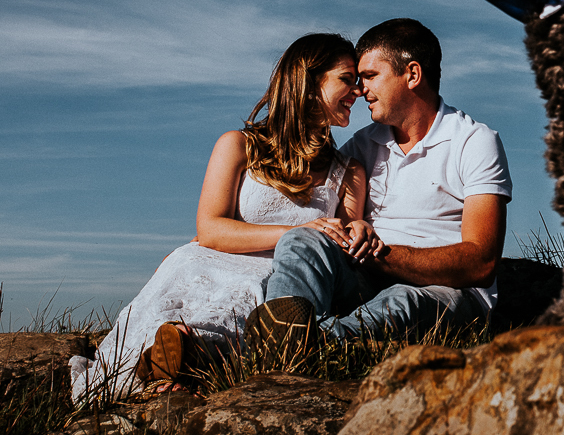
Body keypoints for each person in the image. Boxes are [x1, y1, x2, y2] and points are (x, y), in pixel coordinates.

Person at [69, 33, 380, 402]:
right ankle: (167, 352)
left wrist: (358, 230)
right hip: (211, 259)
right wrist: (296, 230)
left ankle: (185, 354)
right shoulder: (237, 145)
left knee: (250, 298)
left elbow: (337, 244)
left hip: (280, 274)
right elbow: (210, 227)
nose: (358, 92)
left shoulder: (350, 171)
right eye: (347, 79)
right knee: (191, 289)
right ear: (309, 83)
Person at [245, 18, 511, 357]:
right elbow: (318, 212)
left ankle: (296, 346)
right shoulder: (361, 145)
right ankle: (290, 338)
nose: (359, 90)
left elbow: (481, 262)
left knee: (402, 301)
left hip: (446, 292)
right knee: (301, 240)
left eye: (370, 76)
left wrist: (379, 256)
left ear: (412, 75)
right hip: (365, 278)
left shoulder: (474, 142)